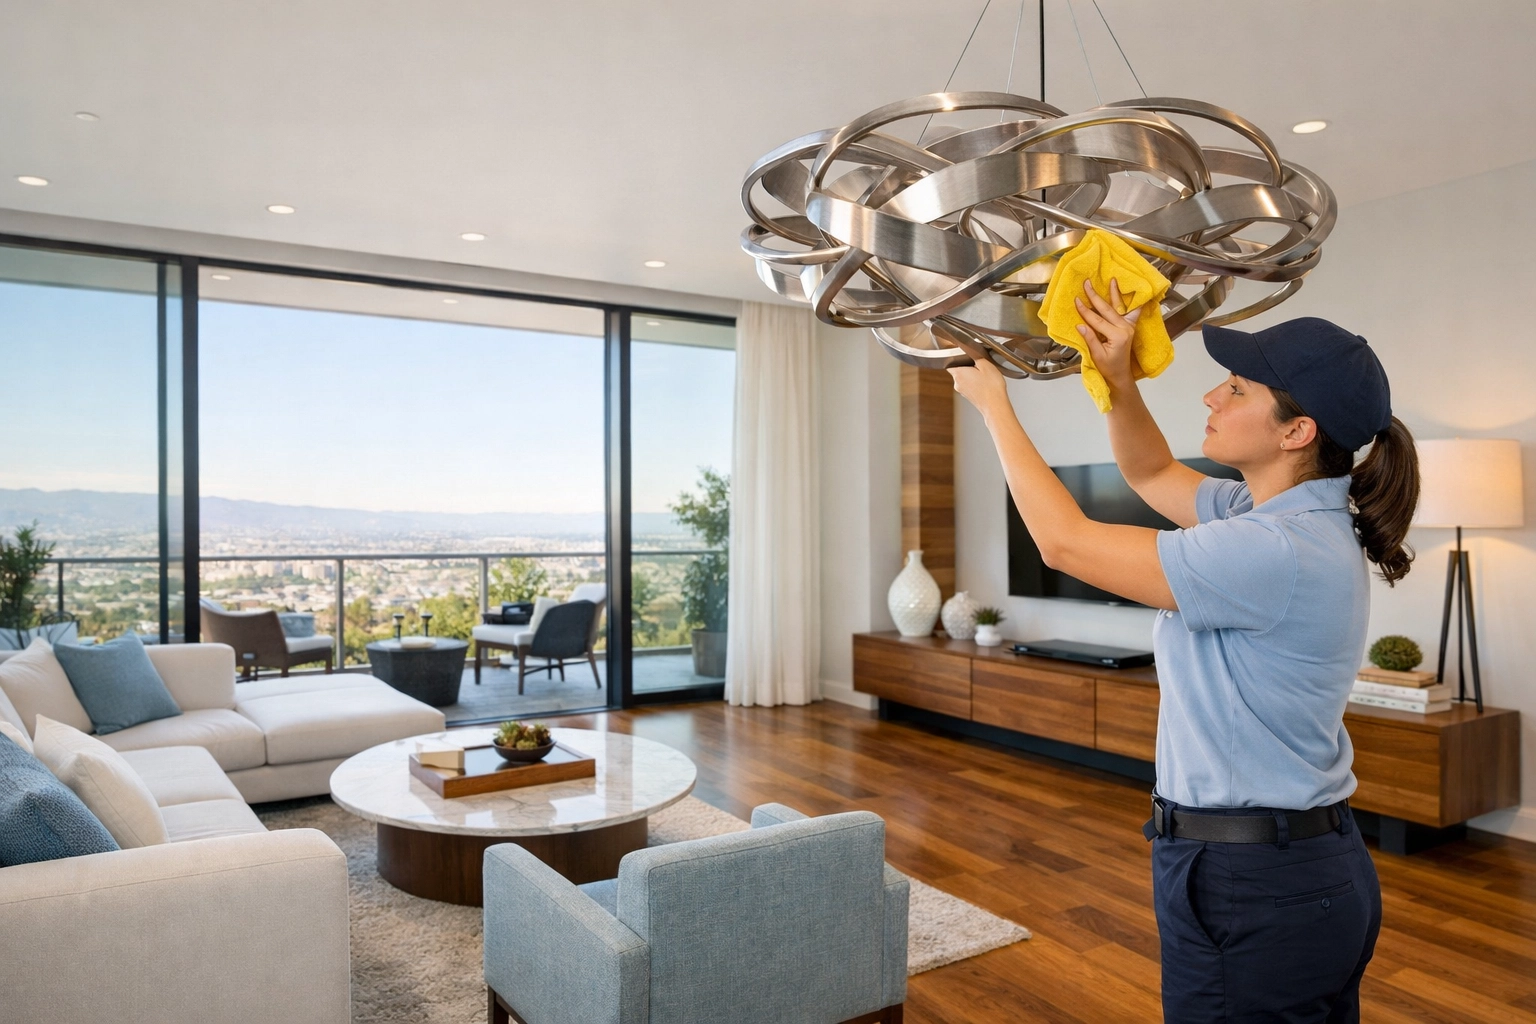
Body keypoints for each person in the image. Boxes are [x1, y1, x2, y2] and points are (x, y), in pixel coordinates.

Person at [948, 279, 1419, 1023]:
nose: (1211, 399)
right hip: (1293, 870)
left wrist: (994, 406)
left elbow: (1063, 542)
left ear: (1295, 432)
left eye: (1234, 388)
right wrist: (1116, 379)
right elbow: (1149, 474)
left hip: (1255, 879)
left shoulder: (1271, 548)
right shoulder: (1274, 513)